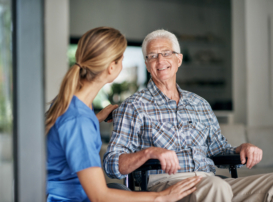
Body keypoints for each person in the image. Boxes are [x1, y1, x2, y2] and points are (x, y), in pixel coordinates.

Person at [103, 29, 273, 202]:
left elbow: (219, 149)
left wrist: (242, 148)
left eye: (166, 53)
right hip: (165, 186)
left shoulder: (200, 104)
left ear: (179, 59)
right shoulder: (133, 106)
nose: (160, 60)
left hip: (209, 180)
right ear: (147, 64)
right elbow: (111, 164)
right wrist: (148, 152)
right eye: (152, 56)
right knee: (216, 186)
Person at [46, 27, 202, 202]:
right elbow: (99, 196)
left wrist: (96, 117)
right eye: (122, 59)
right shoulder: (79, 120)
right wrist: (161, 196)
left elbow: (66, 131)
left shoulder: (72, 105)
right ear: (112, 67)